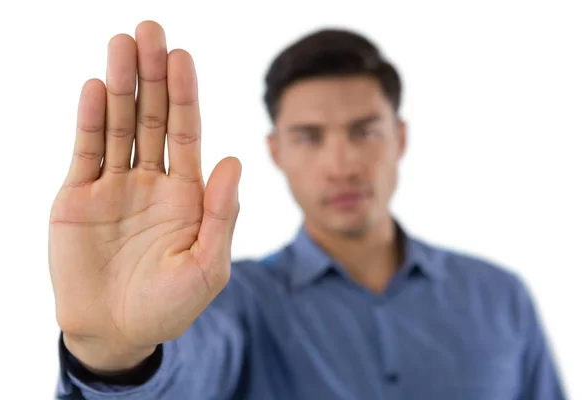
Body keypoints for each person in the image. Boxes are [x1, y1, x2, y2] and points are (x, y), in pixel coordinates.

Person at [50, 20, 565, 399]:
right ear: (276, 151)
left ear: (400, 137)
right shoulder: (231, 301)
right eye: (309, 137)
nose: (341, 164)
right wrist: (115, 356)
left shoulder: (500, 298)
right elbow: (184, 373)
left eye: (364, 131)